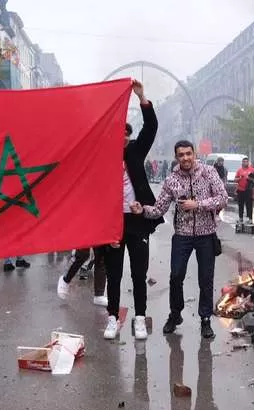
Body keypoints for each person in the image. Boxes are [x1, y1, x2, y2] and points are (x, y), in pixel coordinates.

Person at [131, 140, 228, 339]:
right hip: (182, 236)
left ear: (194, 154)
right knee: (176, 276)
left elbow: (223, 198)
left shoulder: (209, 173)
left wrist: (198, 204)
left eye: (188, 154)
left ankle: (205, 319)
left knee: (205, 279)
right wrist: (143, 211)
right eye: (181, 155)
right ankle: (175, 314)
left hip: (206, 235)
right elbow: (159, 208)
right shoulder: (171, 180)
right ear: (176, 157)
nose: (185, 158)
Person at [99, 79, 158, 341]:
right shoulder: (101, 156)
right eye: (118, 132)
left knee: (138, 273)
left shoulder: (135, 150)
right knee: (114, 273)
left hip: (136, 221)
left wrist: (141, 96)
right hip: (112, 223)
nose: (122, 137)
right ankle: (112, 318)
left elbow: (151, 127)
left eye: (126, 133)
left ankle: (139, 318)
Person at [234, 157, 254, 224]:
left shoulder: (252, 169)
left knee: (249, 205)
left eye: (246, 161)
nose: (245, 163)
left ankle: (250, 219)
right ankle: (240, 218)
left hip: (248, 190)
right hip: (240, 190)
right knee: (240, 205)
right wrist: (240, 178)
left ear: (248, 162)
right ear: (242, 162)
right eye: (244, 161)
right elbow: (235, 179)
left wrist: (249, 178)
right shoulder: (239, 170)